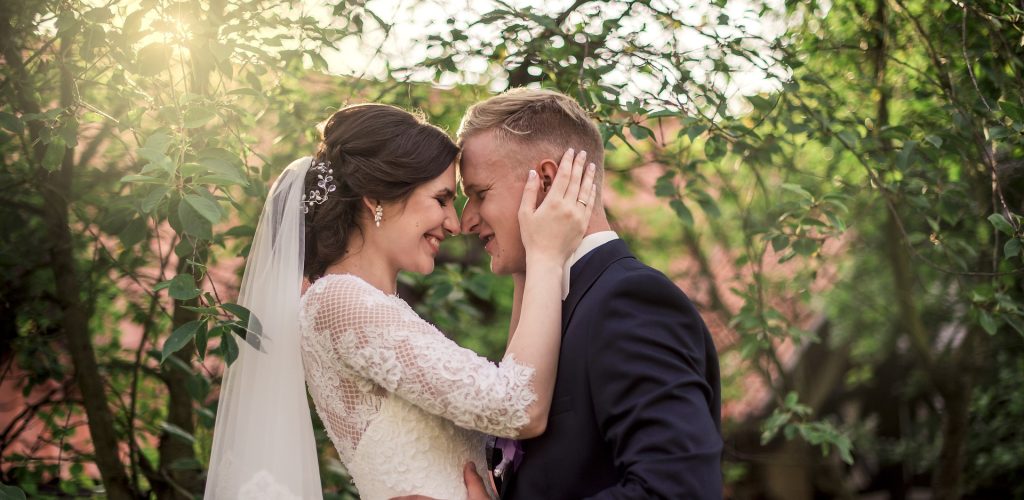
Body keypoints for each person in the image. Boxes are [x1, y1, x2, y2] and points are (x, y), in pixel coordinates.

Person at [204, 103, 597, 499]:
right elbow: (518, 408)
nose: (455, 223)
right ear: (377, 200)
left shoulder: (371, 305)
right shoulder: (341, 300)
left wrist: (523, 261)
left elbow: (511, 388)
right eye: (441, 199)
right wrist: (545, 255)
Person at [457, 88, 724, 498]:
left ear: (545, 181)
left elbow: (678, 490)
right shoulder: (551, 308)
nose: (466, 220)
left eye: (479, 194)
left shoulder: (629, 302)